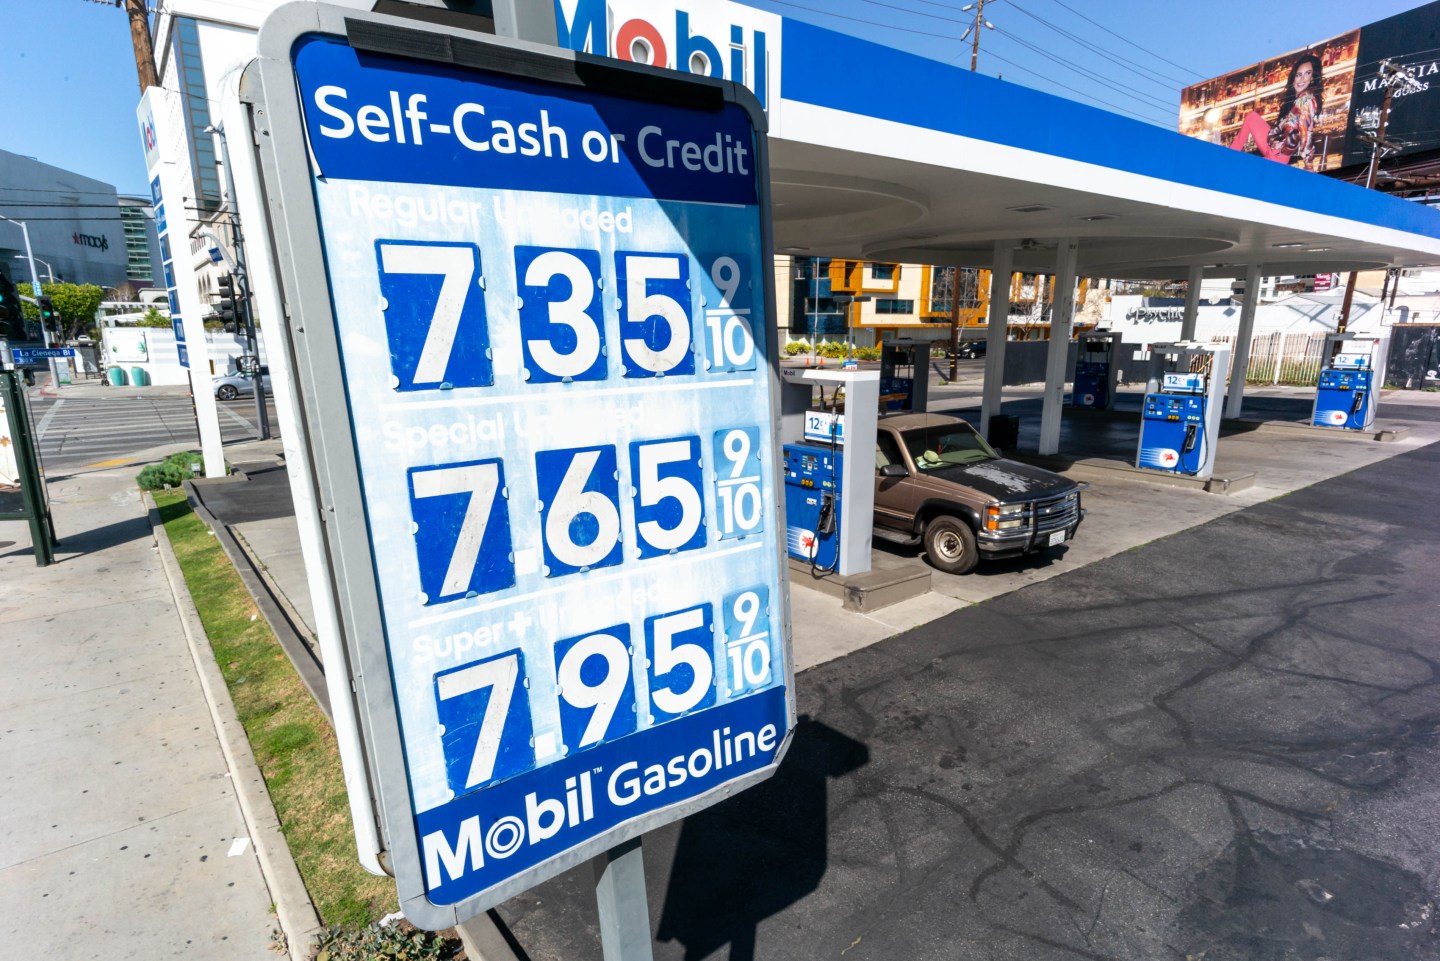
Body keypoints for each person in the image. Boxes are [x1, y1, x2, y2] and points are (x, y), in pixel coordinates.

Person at [1228, 52, 1322, 166]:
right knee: (1251, 117)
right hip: (1273, 147)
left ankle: (1228, 158)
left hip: (1278, 156)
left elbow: (1306, 133)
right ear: (1294, 78)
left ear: (1312, 77)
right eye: (1298, 75)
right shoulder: (1299, 100)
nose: (1301, 78)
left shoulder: (1307, 101)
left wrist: (1309, 164)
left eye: (1307, 73)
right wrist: (1272, 133)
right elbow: (1284, 126)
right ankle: (1229, 156)